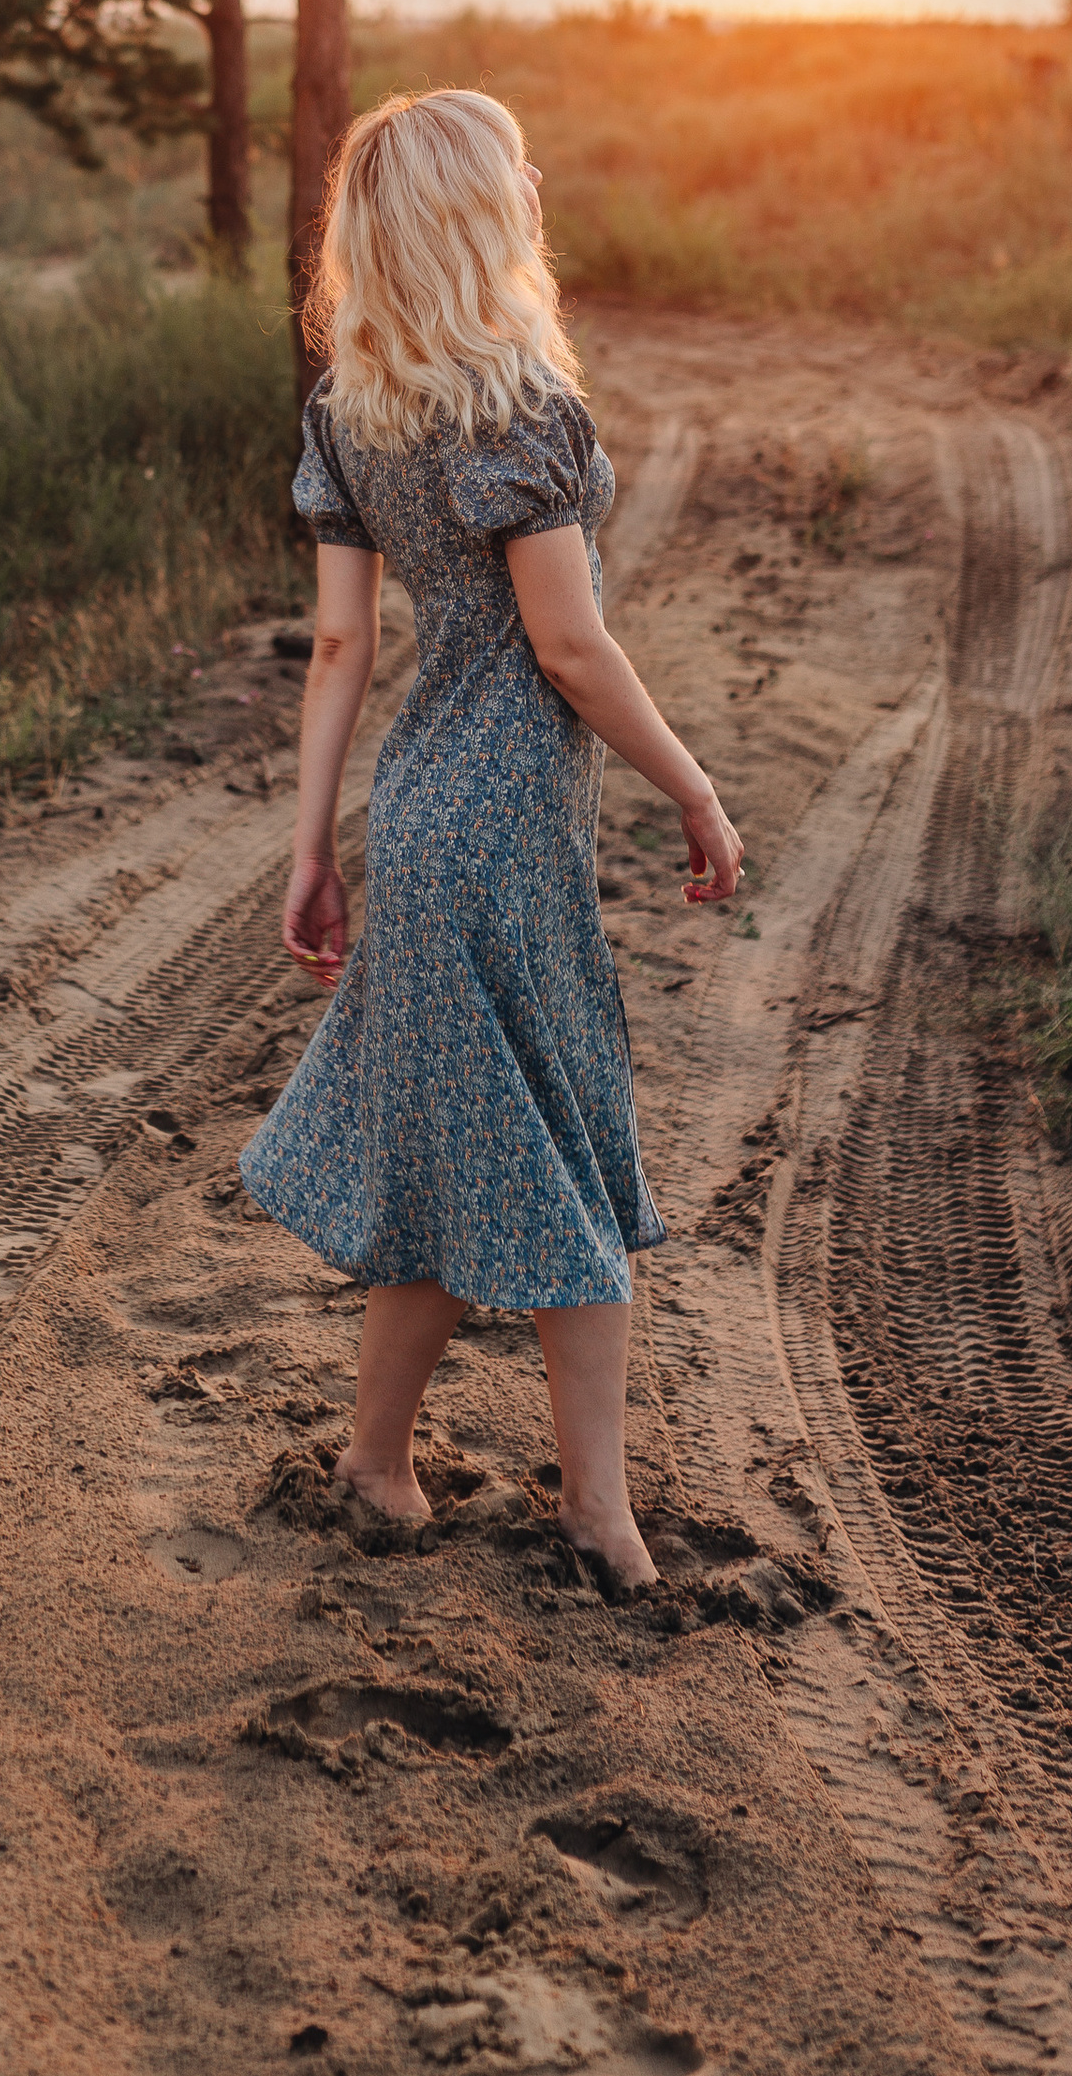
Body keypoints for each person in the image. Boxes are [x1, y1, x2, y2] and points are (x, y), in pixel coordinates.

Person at [240, 88, 743, 1594]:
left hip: (420, 816)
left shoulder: (353, 411)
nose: (537, 180)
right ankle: (598, 1513)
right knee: (563, 1150)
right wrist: (695, 789)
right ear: (478, 212)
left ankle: (378, 1464)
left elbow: (341, 650)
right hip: (507, 826)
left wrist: (314, 847)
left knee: (459, 1145)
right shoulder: (517, 408)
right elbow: (571, 650)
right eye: (517, 166)